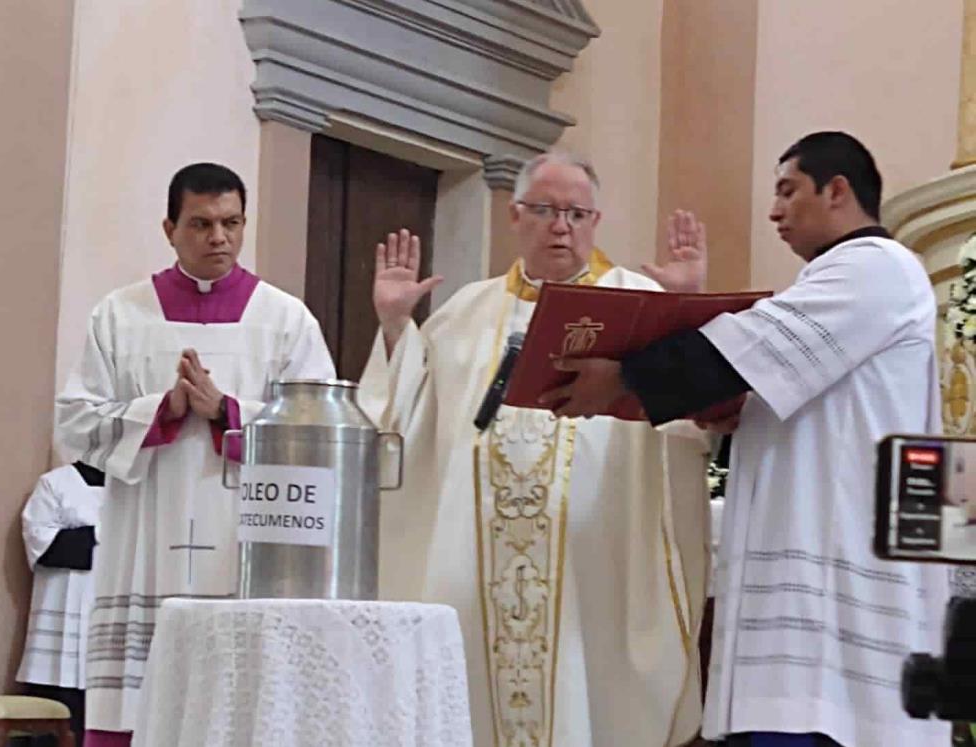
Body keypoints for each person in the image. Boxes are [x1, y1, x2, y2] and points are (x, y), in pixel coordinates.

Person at [544, 132, 950, 747]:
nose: (774, 211)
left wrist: (623, 376)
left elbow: (752, 346)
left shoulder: (876, 268)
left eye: (788, 190)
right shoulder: (842, 279)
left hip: (833, 614)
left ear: (837, 190)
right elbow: (776, 383)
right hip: (811, 602)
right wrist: (731, 406)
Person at [358, 151, 714, 746]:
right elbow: (402, 427)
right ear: (516, 216)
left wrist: (684, 314)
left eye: (577, 213)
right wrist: (397, 327)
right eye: (546, 210)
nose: (561, 226)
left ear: (596, 222)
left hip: (592, 561)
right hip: (476, 566)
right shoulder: (466, 312)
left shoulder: (637, 304)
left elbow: (688, 424)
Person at [55, 162, 335, 746]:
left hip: (248, 538)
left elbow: (320, 434)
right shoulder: (119, 315)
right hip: (144, 534)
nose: (220, 238)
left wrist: (228, 412)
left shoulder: (285, 319)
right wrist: (164, 411)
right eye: (202, 224)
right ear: (169, 228)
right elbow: (75, 422)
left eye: (232, 223)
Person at [17, 461, 106, 747]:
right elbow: (42, 545)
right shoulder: (55, 483)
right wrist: (104, 535)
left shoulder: (136, 486)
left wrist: (94, 536)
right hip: (62, 612)